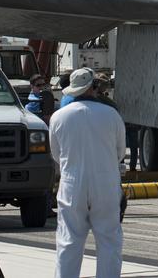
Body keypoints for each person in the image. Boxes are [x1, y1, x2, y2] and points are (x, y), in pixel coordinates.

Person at [50, 67, 127, 278]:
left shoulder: (58, 117)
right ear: (94, 87)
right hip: (105, 182)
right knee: (109, 240)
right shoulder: (111, 114)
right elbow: (120, 153)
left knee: (69, 241)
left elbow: (56, 155)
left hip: (72, 183)